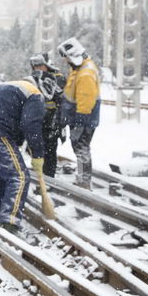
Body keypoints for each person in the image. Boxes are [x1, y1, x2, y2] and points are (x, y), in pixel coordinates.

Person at [0, 73, 55, 233]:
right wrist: (38, 154)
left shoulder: (3, 87)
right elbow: (31, 125)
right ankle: (9, 222)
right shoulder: (35, 94)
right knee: (19, 177)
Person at [57, 37, 101, 189]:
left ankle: (84, 181)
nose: (66, 61)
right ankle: (83, 178)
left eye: (67, 57)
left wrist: (80, 122)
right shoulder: (79, 68)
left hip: (83, 118)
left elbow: (85, 100)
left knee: (81, 148)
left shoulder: (85, 73)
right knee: (80, 147)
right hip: (78, 117)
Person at [29, 52, 66, 180]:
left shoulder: (56, 77)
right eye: (35, 67)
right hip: (38, 119)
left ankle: (48, 178)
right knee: (37, 148)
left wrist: (60, 122)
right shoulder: (34, 78)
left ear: (45, 65)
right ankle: (40, 175)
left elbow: (60, 99)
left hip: (52, 120)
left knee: (50, 150)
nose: (37, 69)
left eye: (40, 66)